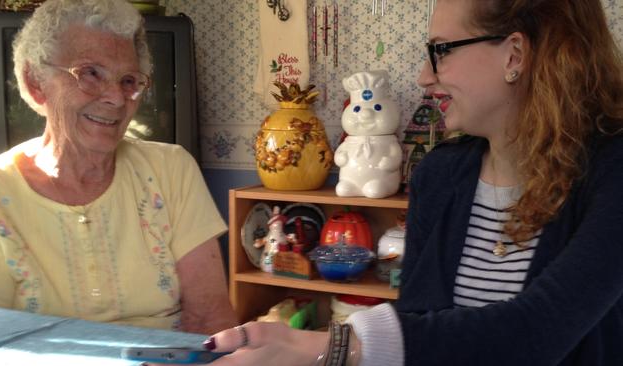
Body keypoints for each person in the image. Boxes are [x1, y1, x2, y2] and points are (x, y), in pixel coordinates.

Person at [186, 0, 623, 365]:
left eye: (442, 50)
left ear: (514, 55)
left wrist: (334, 346)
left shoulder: (612, 170)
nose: (424, 76)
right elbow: (420, 328)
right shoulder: (439, 175)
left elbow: (537, 332)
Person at [0, 0, 238, 335]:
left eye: (128, 81)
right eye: (90, 74)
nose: (115, 97)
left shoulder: (171, 170)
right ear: (36, 81)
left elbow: (211, 320)